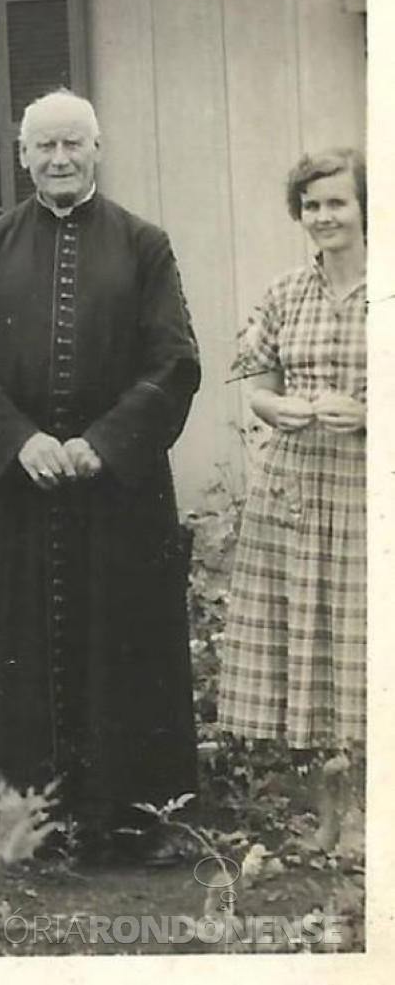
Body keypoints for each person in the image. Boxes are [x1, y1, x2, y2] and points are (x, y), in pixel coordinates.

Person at [0, 89, 201, 862]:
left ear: (96, 149)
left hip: (117, 493)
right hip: (17, 493)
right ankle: (17, 820)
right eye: (44, 145)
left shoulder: (144, 244)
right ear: (22, 155)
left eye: (72, 144)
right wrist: (20, 442)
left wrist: (104, 441)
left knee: (123, 647)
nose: (58, 158)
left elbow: (175, 360)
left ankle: (130, 819)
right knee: (12, 648)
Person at [219, 149, 366, 849]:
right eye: (312, 205)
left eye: (337, 201)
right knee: (313, 657)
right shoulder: (283, 294)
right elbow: (257, 386)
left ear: (365, 205)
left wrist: (369, 411)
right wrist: (277, 409)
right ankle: (331, 820)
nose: (324, 216)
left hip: (369, 492)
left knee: (369, 653)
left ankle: (375, 823)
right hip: (295, 491)